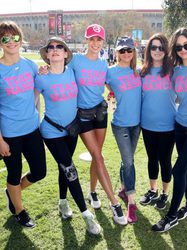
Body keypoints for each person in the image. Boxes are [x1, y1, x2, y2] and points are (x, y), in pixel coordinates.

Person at [35, 37, 101, 235]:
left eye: (59, 47)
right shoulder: (41, 77)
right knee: (70, 170)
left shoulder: (72, 71)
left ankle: (63, 203)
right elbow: (32, 103)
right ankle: (86, 215)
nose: (54, 49)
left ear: (65, 53)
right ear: (47, 54)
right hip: (51, 131)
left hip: (72, 129)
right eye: (51, 47)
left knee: (64, 166)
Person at [152, 28, 187, 232]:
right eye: (178, 47)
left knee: (178, 169)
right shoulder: (175, 71)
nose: (183, 50)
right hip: (180, 125)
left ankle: (171, 216)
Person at [68, 24, 127, 225]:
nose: (95, 43)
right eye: (92, 39)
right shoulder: (75, 61)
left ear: (103, 41)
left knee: (97, 156)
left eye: (98, 39)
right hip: (82, 116)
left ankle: (92, 192)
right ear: (86, 40)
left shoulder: (104, 65)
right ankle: (114, 204)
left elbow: (113, 84)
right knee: (98, 156)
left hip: (100, 114)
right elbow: (58, 71)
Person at [0, 21, 46, 228]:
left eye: (15, 37)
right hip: (9, 133)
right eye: (5, 38)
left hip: (32, 129)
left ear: (21, 39)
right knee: (13, 172)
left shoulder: (30, 66)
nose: (11, 42)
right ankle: (20, 211)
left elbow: (37, 92)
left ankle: (13, 191)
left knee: (39, 171)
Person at [106, 37, 141, 223]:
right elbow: (104, 85)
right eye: (122, 50)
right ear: (116, 52)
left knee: (127, 160)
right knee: (128, 162)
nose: (126, 53)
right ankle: (132, 204)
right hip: (120, 124)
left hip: (137, 124)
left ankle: (122, 189)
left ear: (133, 52)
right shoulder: (110, 72)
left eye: (129, 50)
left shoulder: (139, 72)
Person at [139, 33, 176, 210]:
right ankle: (152, 190)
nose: (157, 51)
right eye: (153, 47)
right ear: (149, 50)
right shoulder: (142, 71)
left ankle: (164, 193)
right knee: (151, 159)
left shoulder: (173, 71)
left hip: (168, 125)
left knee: (165, 160)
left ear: (166, 50)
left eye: (161, 47)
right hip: (147, 125)